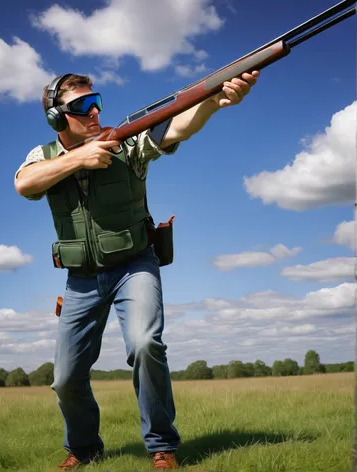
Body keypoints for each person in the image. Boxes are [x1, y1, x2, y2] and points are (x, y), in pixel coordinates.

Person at [14, 70, 259, 470]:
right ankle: (85, 449)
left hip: (134, 264)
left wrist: (214, 101)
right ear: (57, 117)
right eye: (81, 106)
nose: (94, 111)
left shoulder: (126, 141)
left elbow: (178, 125)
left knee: (146, 344)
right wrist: (79, 158)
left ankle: (162, 446)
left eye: (97, 102)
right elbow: (25, 184)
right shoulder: (42, 156)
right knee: (65, 378)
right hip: (81, 279)